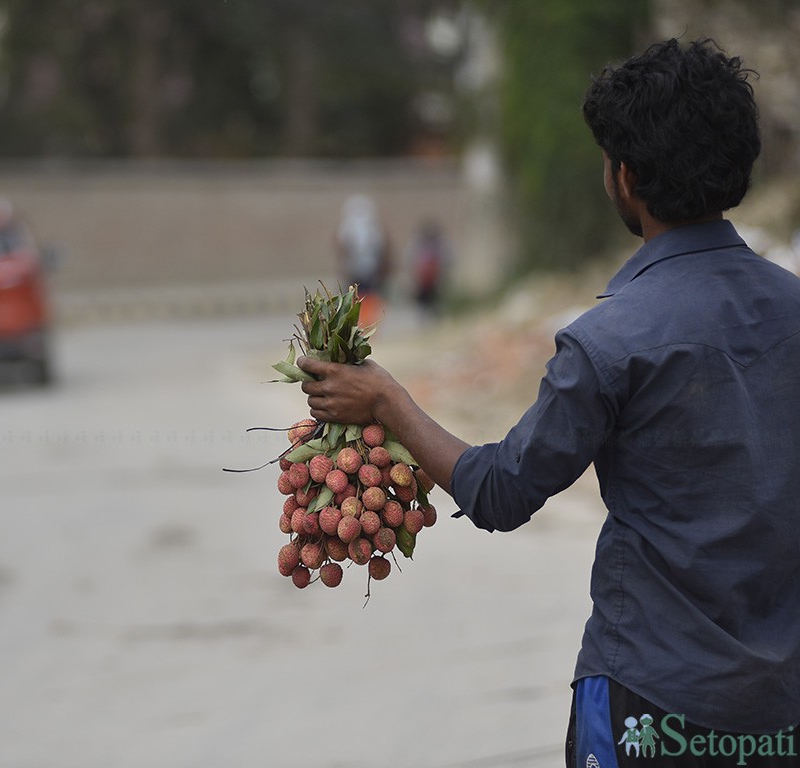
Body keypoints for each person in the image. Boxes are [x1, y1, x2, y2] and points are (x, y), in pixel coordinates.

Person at [298, 38, 800, 766]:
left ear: (626, 177)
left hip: (649, 705)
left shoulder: (609, 341)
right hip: (781, 707)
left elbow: (502, 491)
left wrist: (387, 402)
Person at [335, 194, 392, 324]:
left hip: (367, 269)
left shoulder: (371, 227)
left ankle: (365, 321)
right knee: (359, 296)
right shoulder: (353, 227)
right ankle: (362, 321)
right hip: (358, 269)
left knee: (366, 296)